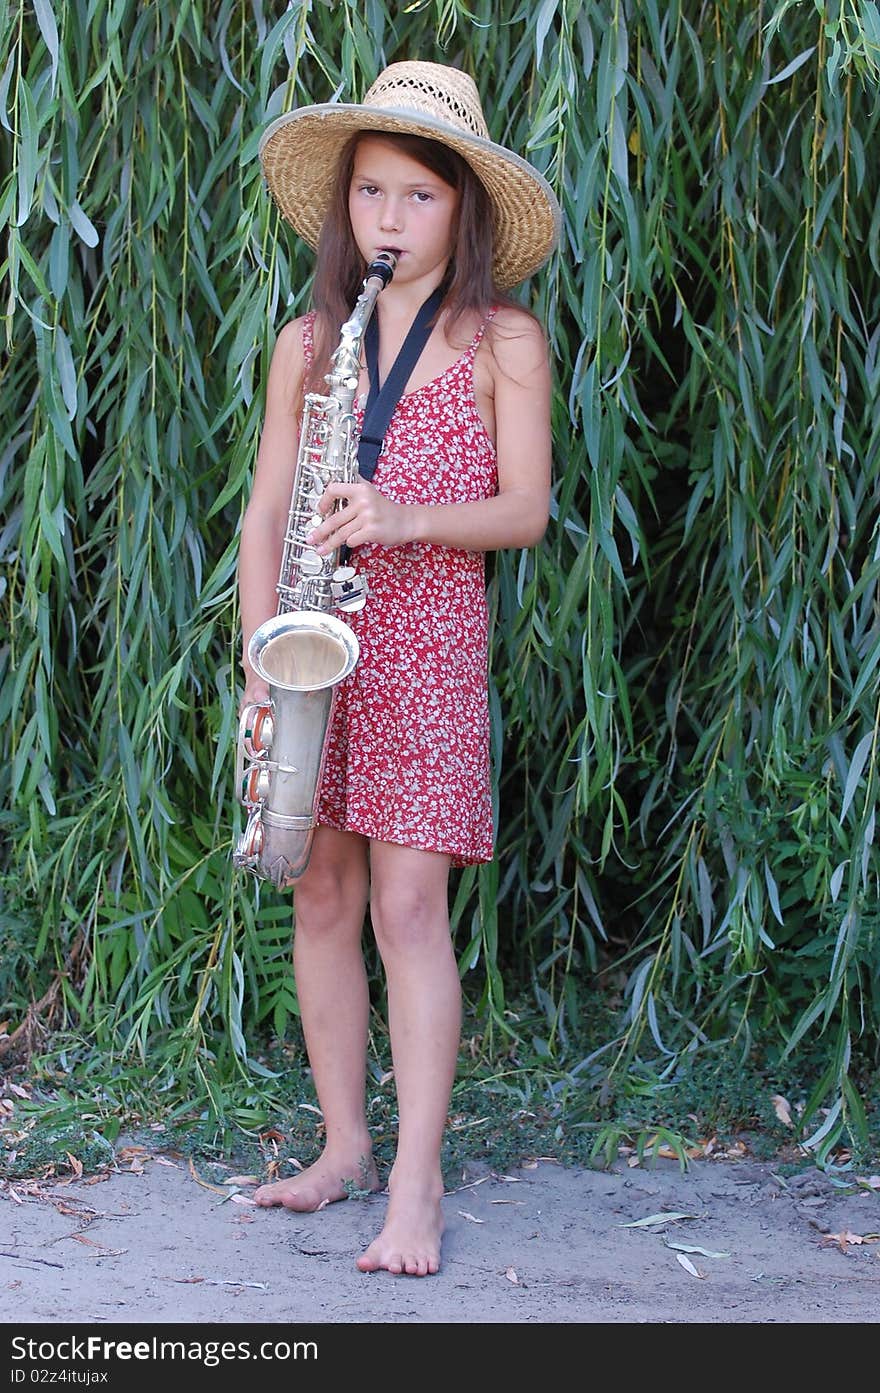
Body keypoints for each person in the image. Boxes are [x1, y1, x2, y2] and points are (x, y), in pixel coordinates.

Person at [238, 60, 559, 1277]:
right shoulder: (308, 341)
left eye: (419, 197)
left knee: (406, 908)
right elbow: (265, 513)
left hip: (424, 655)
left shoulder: (503, 340)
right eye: (371, 192)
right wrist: (264, 657)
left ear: (463, 212)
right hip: (314, 656)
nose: (389, 219)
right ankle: (342, 1149)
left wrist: (405, 517)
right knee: (318, 898)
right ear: (344, 207)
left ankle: (415, 1182)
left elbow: (525, 509)